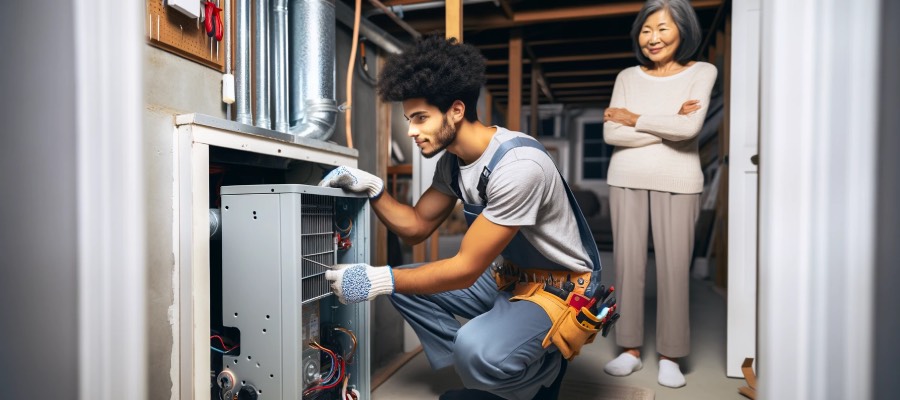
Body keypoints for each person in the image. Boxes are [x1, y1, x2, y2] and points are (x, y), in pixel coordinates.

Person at [319, 35, 609, 400]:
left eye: (421, 118)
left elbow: (466, 267)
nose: (411, 131)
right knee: (406, 286)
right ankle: (489, 363)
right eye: (409, 119)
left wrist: (376, 279)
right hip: (511, 279)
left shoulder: (518, 167)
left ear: (456, 110)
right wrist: (374, 188)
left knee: (462, 336)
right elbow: (415, 228)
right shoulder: (453, 164)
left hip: (561, 289)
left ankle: (539, 374)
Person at [601, 0, 717, 389]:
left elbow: (689, 129)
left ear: (683, 30)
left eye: (663, 28)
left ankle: (671, 356)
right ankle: (629, 350)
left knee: (673, 271)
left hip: (680, 180)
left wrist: (634, 118)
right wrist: (670, 119)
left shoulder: (703, 71)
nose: (653, 38)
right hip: (625, 178)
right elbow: (609, 134)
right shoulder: (627, 76)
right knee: (628, 268)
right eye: (646, 30)